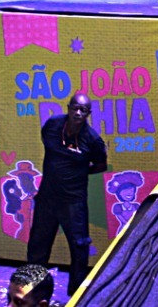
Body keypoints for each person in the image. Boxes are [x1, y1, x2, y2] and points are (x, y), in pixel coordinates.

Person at [26, 93, 107, 297]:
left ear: (89, 113)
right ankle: (35, 292)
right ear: (68, 107)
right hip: (47, 198)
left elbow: (100, 165)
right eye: (74, 108)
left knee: (79, 249)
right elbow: (48, 145)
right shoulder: (53, 125)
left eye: (83, 110)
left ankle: (76, 294)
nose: (78, 113)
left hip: (73, 202)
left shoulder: (93, 139)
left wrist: (78, 172)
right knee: (38, 247)